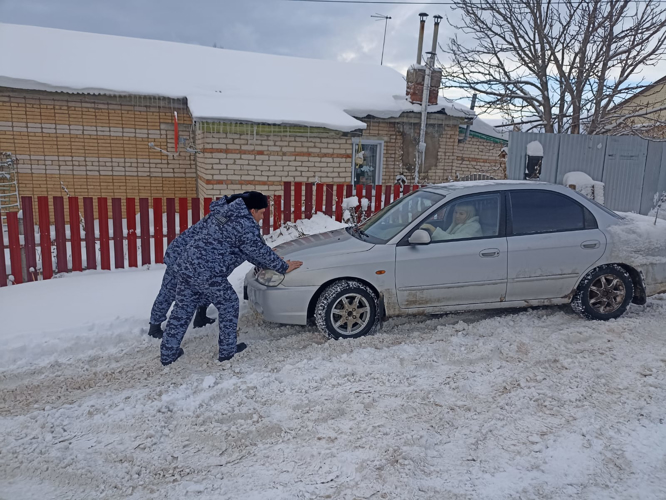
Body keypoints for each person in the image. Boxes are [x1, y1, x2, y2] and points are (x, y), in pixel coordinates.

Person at [160, 191, 302, 366]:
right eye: (262, 212)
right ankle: (227, 351)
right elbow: (254, 249)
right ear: (252, 211)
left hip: (187, 266)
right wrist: (283, 266)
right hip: (208, 272)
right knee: (229, 304)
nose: (263, 216)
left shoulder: (225, 214)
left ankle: (168, 353)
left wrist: (264, 254)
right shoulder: (244, 224)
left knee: (182, 309)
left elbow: (248, 248)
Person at [148, 196, 230, 339]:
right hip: (179, 256)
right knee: (168, 291)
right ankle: (154, 326)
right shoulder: (221, 217)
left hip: (199, 260)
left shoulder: (223, 214)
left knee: (205, 286)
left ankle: (201, 317)